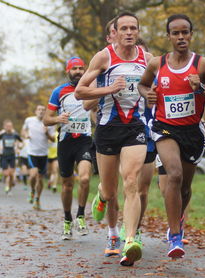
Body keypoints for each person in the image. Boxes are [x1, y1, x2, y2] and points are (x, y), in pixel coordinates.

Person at [138, 14, 205, 258]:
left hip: (192, 131)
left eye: (185, 32)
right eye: (175, 33)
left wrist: (201, 89)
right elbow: (143, 84)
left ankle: (176, 220)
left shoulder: (203, 65)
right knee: (174, 174)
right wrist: (148, 94)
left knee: (185, 188)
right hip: (165, 127)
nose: (181, 37)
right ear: (168, 36)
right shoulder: (157, 64)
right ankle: (175, 237)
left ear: (191, 35)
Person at [75, 12, 153, 266]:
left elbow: (160, 87)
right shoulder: (104, 56)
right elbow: (80, 92)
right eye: (124, 28)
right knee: (110, 191)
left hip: (135, 128)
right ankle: (101, 194)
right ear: (116, 32)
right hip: (108, 128)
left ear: (138, 32)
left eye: (133, 28)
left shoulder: (148, 59)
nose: (129, 32)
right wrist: (109, 88)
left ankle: (129, 240)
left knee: (131, 182)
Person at [44, 57, 93, 240]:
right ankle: (67, 219)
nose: (78, 71)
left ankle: (80, 214)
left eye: (81, 68)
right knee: (67, 184)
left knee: (85, 178)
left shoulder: (89, 89)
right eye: (75, 69)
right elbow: (46, 119)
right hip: (65, 141)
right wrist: (58, 119)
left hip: (84, 140)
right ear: (68, 71)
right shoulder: (59, 91)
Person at [22, 105, 55, 209]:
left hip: (44, 154)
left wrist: (47, 134)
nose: (41, 111)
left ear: (45, 112)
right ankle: (32, 190)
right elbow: (23, 130)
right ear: (36, 111)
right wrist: (25, 135)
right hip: (32, 153)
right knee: (33, 175)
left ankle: (37, 199)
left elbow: (53, 139)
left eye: (43, 110)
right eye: (39, 110)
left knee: (40, 178)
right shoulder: (29, 120)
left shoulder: (49, 123)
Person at [0, 120, 23, 195]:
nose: (9, 128)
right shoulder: (2, 135)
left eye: (10, 126)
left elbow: (21, 142)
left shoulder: (15, 135)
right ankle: (5, 184)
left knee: (11, 174)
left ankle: (9, 188)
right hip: (4, 155)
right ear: (4, 127)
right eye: (7, 126)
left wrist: (19, 148)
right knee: (7, 174)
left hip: (12, 155)